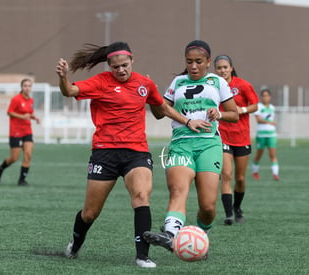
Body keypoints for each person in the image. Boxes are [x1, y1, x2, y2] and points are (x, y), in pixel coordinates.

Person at [55, 41, 211, 268]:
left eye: (125, 65)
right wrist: (62, 77)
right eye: (115, 67)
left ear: (132, 61)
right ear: (109, 66)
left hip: (136, 152)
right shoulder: (100, 83)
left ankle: (142, 256)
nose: (121, 70)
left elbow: (162, 108)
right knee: (90, 213)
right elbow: (69, 91)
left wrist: (188, 121)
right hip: (104, 153)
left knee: (141, 196)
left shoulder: (144, 83)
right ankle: (76, 243)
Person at [142, 40, 239, 253]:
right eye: (189, 62)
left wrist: (219, 114)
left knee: (208, 206)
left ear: (208, 62)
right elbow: (160, 113)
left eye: (198, 62)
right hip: (180, 144)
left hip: (209, 144)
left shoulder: (218, 82)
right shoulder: (177, 82)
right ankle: (170, 235)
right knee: (178, 191)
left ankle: (199, 237)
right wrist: (152, 97)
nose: (193, 66)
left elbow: (235, 114)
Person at [214, 54, 259, 225]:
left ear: (231, 68)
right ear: (215, 70)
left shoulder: (243, 85)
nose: (222, 70)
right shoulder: (213, 86)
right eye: (219, 68)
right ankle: (228, 215)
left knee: (240, 178)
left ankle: (237, 207)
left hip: (241, 137)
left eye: (225, 67)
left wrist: (242, 109)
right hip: (222, 135)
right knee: (226, 175)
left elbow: (255, 105)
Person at [0, 78, 40, 186]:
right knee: (14, 158)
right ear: (21, 87)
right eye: (25, 86)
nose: (27, 88)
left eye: (29, 86)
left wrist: (35, 118)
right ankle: (1, 168)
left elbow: (29, 113)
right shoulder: (16, 99)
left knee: (28, 155)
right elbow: (9, 112)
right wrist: (22, 116)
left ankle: (21, 180)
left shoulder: (31, 100)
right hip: (15, 132)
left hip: (27, 131)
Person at [252, 88, 279, 180]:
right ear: (261, 97)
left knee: (273, 155)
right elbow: (258, 119)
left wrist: (271, 123)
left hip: (272, 135)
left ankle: (275, 174)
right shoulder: (258, 106)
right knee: (259, 154)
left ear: (270, 97)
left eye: (267, 96)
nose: (265, 98)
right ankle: (255, 172)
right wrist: (270, 122)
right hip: (261, 135)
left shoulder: (272, 108)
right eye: (264, 96)